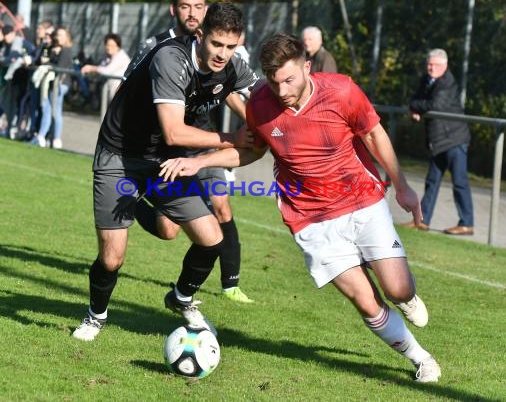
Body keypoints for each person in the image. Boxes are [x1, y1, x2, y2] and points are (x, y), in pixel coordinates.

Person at [159, 33, 441, 383]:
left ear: (307, 67)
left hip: (361, 201)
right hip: (310, 218)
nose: (282, 90)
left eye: (290, 80)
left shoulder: (341, 90)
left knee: (397, 289)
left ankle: (407, 296)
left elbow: (374, 134)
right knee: (366, 302)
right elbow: (251, 151)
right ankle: (421, 359)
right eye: (274, 82)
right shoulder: (261, 104)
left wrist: (402, 187)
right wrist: (200, 163)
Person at [71, 2, 258, 342]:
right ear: (200, 34)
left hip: (164, 162)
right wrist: (232, 137)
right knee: (112, 258)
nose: (222, 54)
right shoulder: (171, 59)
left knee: (211, 238)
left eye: (231, 47)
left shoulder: (232, 67)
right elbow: (174, 131)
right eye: (216, 44)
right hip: (120, 156)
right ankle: (96, 316)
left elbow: (267, 96)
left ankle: (181, 298)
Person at [129, 0, 254, 303]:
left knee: (222, 205)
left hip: (203, 139)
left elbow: (225, 86)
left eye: (199, 6)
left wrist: (255, 122)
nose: (192, 12)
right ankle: (132, 202)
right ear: (174, 9)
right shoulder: (157, 47)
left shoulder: (218, 49)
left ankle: (230, 284)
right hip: (163, 147)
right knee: (169, 230)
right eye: (186, 6)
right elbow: (129, 92)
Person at [405, 48, 474, 235]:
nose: (430, 68)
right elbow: (415, 99)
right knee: (432, 181)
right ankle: (422, 220)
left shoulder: (448, 82)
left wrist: (416, 107)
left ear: (445, 65)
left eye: (435, 64)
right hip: (438, 141)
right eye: (429, 64)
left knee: (459, 182)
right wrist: (415, 107)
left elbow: (435, 105)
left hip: (454, 139)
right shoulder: (426, 80)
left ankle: (467, 223)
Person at [31, 26, 73, 149]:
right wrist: (48, 53)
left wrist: (49, 62)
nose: (55, 37)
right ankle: (42, 136)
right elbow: (43, 60)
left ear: (66, 37)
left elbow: (59, 67)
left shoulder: (65, 50)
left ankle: (55, 138)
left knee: (55, 110)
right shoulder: (50, 48)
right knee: (47, 109)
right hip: (51, 84)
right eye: (56, 35)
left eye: (59, 35)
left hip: (61, 84)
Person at [80, 33, 130, 113]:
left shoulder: (121, 57)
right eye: (107, 45)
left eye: (112, 45)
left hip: (122, 94)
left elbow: (107, 71)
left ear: (118, 46)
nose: (109, 48)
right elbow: (100, 68)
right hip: (111, 92)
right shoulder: (107, 57)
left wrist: (91, 68)